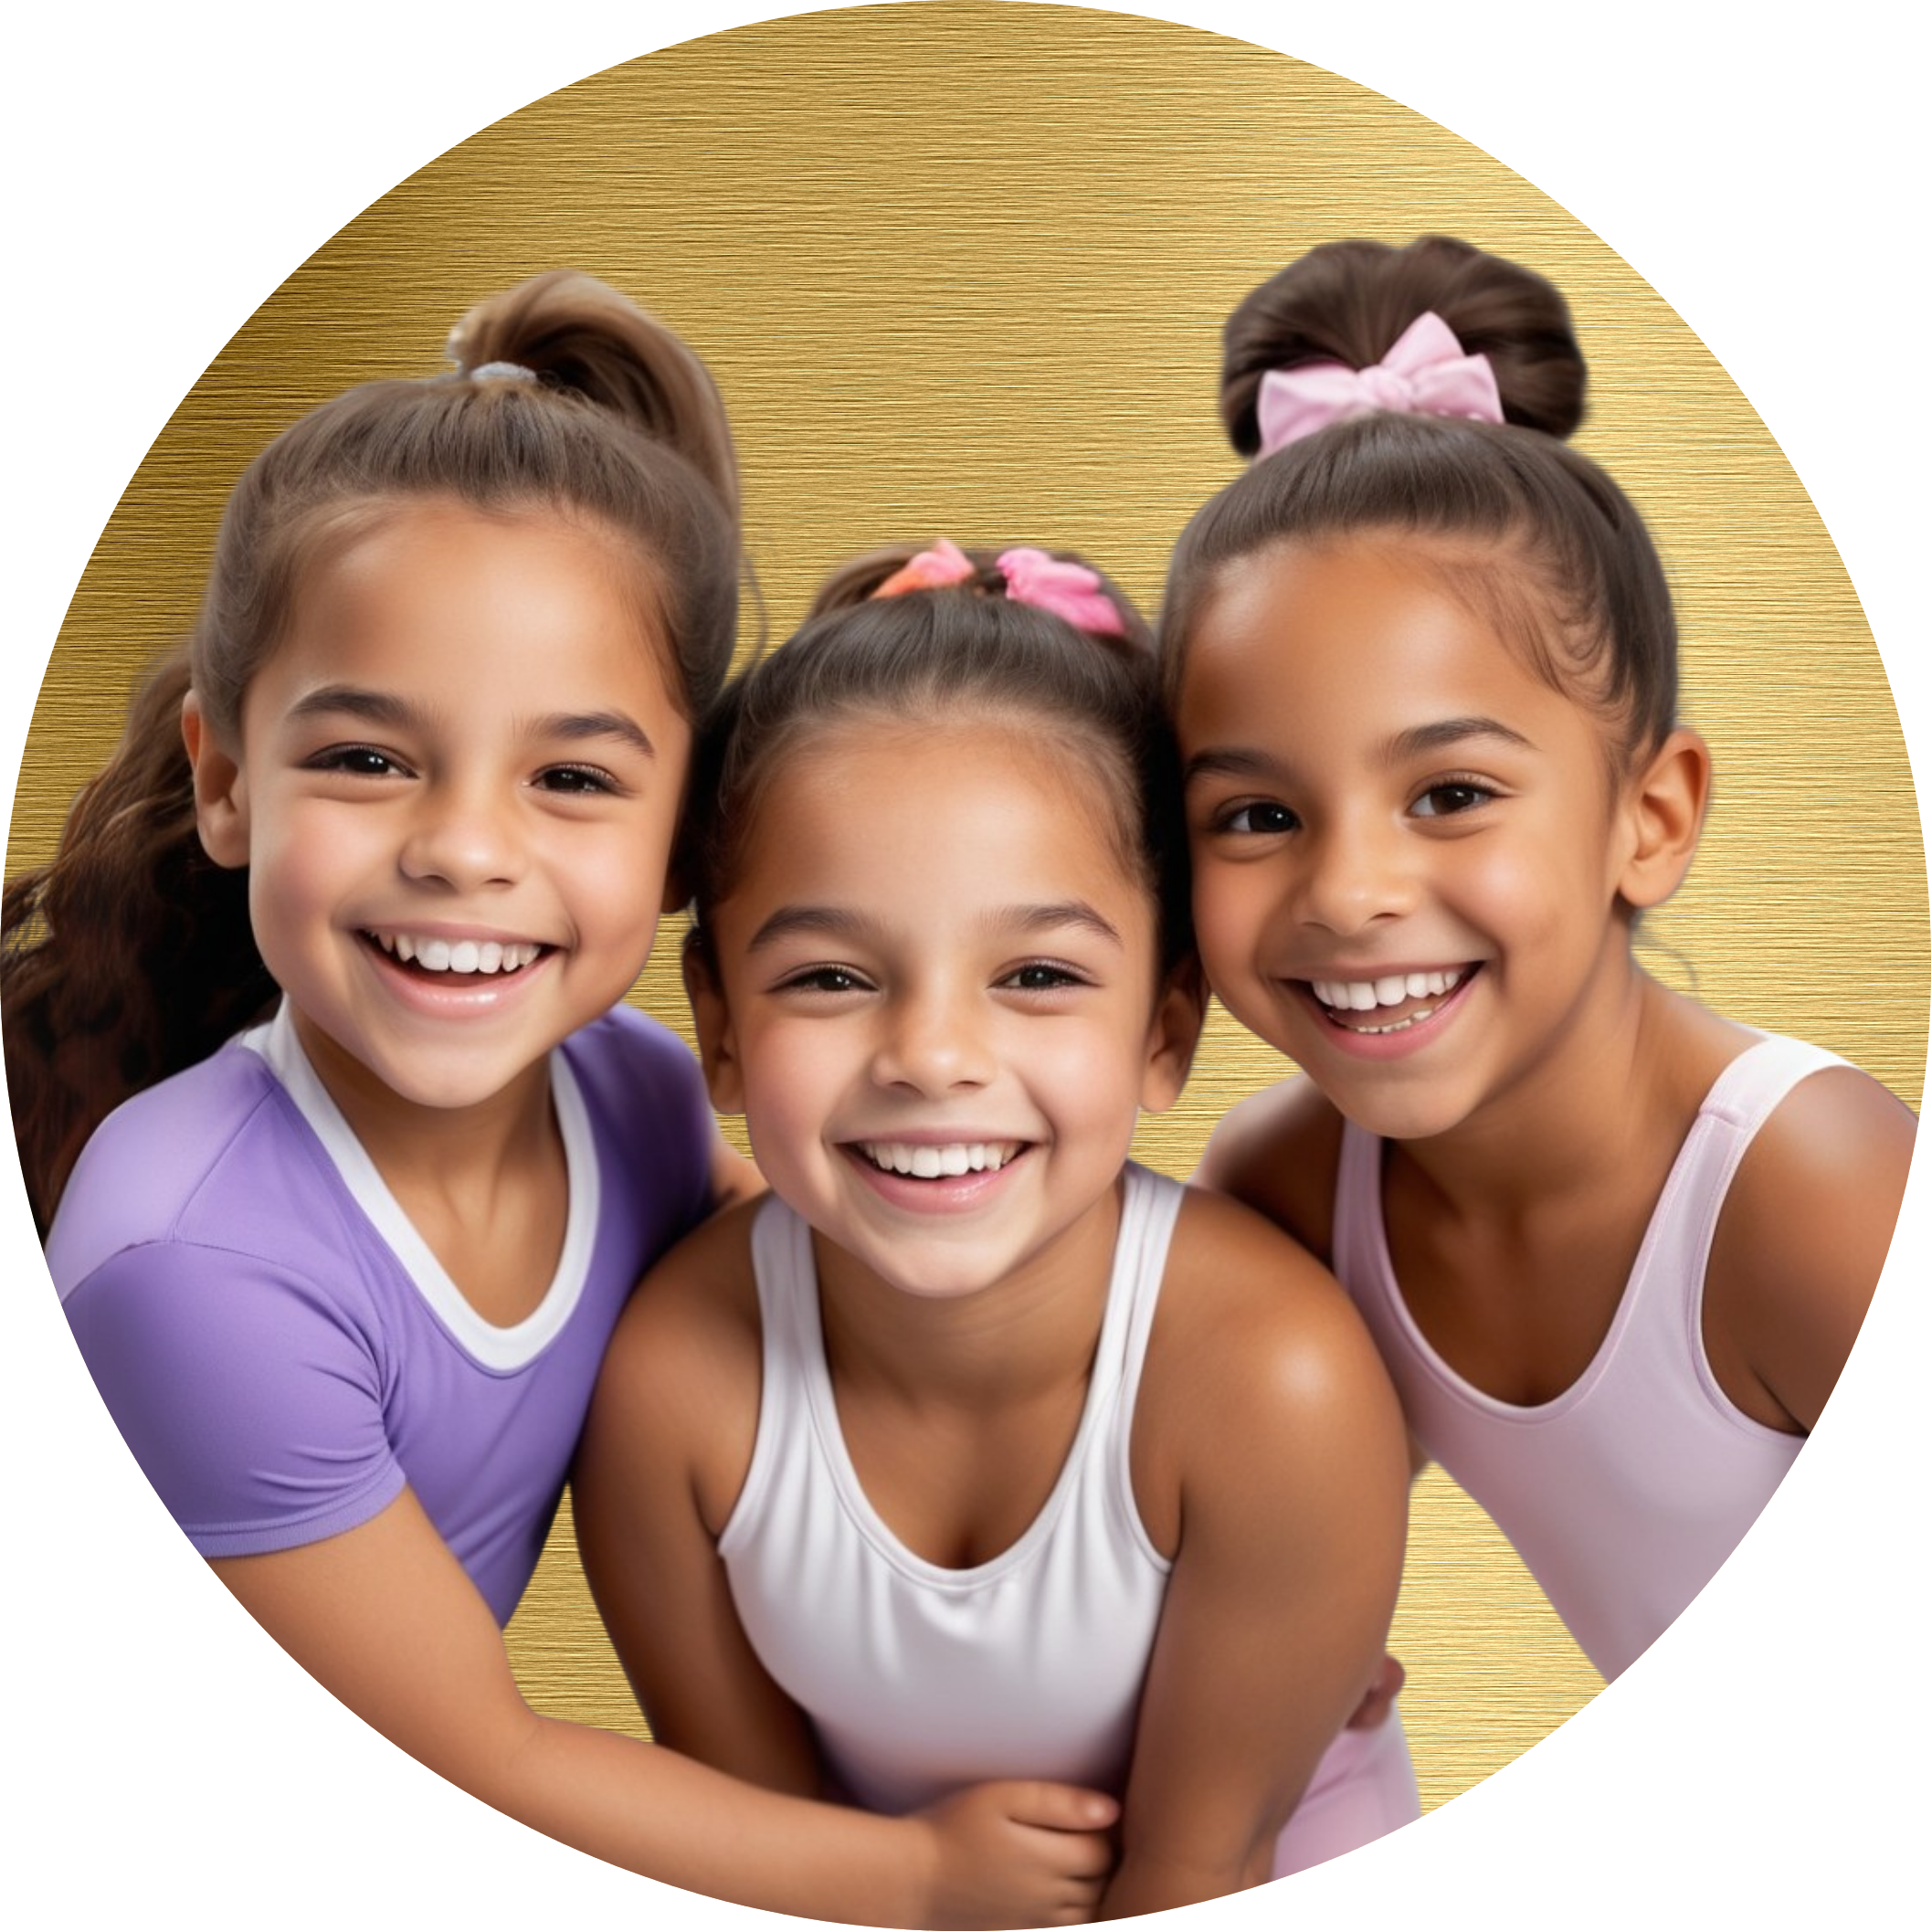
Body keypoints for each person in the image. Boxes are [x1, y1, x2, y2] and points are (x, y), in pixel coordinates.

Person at [15, 279, 1121, 1925]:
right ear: (226, 776)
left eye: (573, 778)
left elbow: (883, 1337)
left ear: (689, 838)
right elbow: (483, 1756)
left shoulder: (637, 1099)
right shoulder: (188, 1258)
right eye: (368, 761)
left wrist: (1221, 1592)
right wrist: (912, 1875)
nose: (465, 846)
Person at [573, 537, 1420, 1916]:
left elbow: (1200, 1865)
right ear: (718, 1029)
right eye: (832, 975)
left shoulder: (1272, 1385)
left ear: (1164, 1024)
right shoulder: (672, 1387)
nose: (931, 1056)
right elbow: (772, 1855)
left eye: (1034, 974)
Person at [1162, 235, 1915, 1683]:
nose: (1351, 892)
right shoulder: (1294, 1193)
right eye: (1256, 814)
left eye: (1447, 793)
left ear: (1648, 816)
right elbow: (1244, 1548)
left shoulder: (1807, 1195)